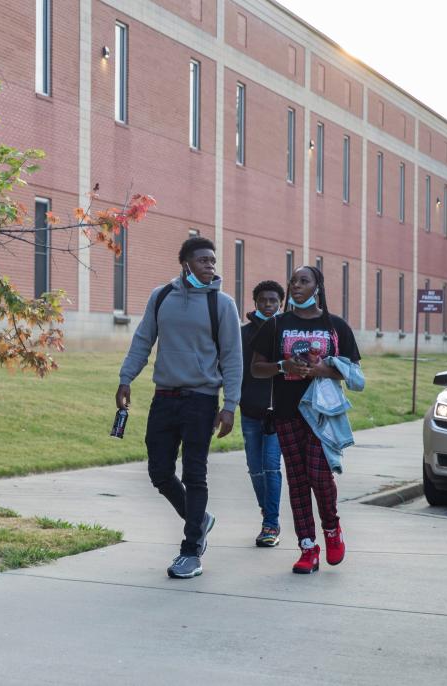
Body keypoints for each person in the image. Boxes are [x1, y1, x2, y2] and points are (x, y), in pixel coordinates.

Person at [116, 236, 243, 579]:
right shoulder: (162, 297)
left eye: (213, 261)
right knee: (159, 472)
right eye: (203, 260)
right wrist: (126, 378)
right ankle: (198, 517)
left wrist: (230, 405)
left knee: (195, 473)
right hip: (165, 397)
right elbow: (143, 340)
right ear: (185, 263)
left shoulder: (223, 304)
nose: (210, 266)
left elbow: (233, 358)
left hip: (201, 401)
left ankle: (191, 551)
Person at [249, 265, 360, 574]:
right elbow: (257, 368)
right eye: (293, 281)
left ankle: (332, 529)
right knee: (297, 481)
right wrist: (283, 366)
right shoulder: (276, 325)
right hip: (286, 412)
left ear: (317, 287)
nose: (296, 286)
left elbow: (353, 371)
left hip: (322, 415)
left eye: (303, 281)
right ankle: (307, 547)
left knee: (320, 476)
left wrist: (323, 369)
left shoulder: (335, 326)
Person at [239, 280, 285, 548]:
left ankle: (271, 523)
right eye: (263, 300)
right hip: (250, 410)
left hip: (279, 413)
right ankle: (267, 512)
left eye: (273, 301)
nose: (268, 305)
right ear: (255, 302)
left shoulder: (287, 332)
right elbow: (234, 370)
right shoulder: (243, 334)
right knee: (255, 469)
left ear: (280, 303)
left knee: (270, 465)